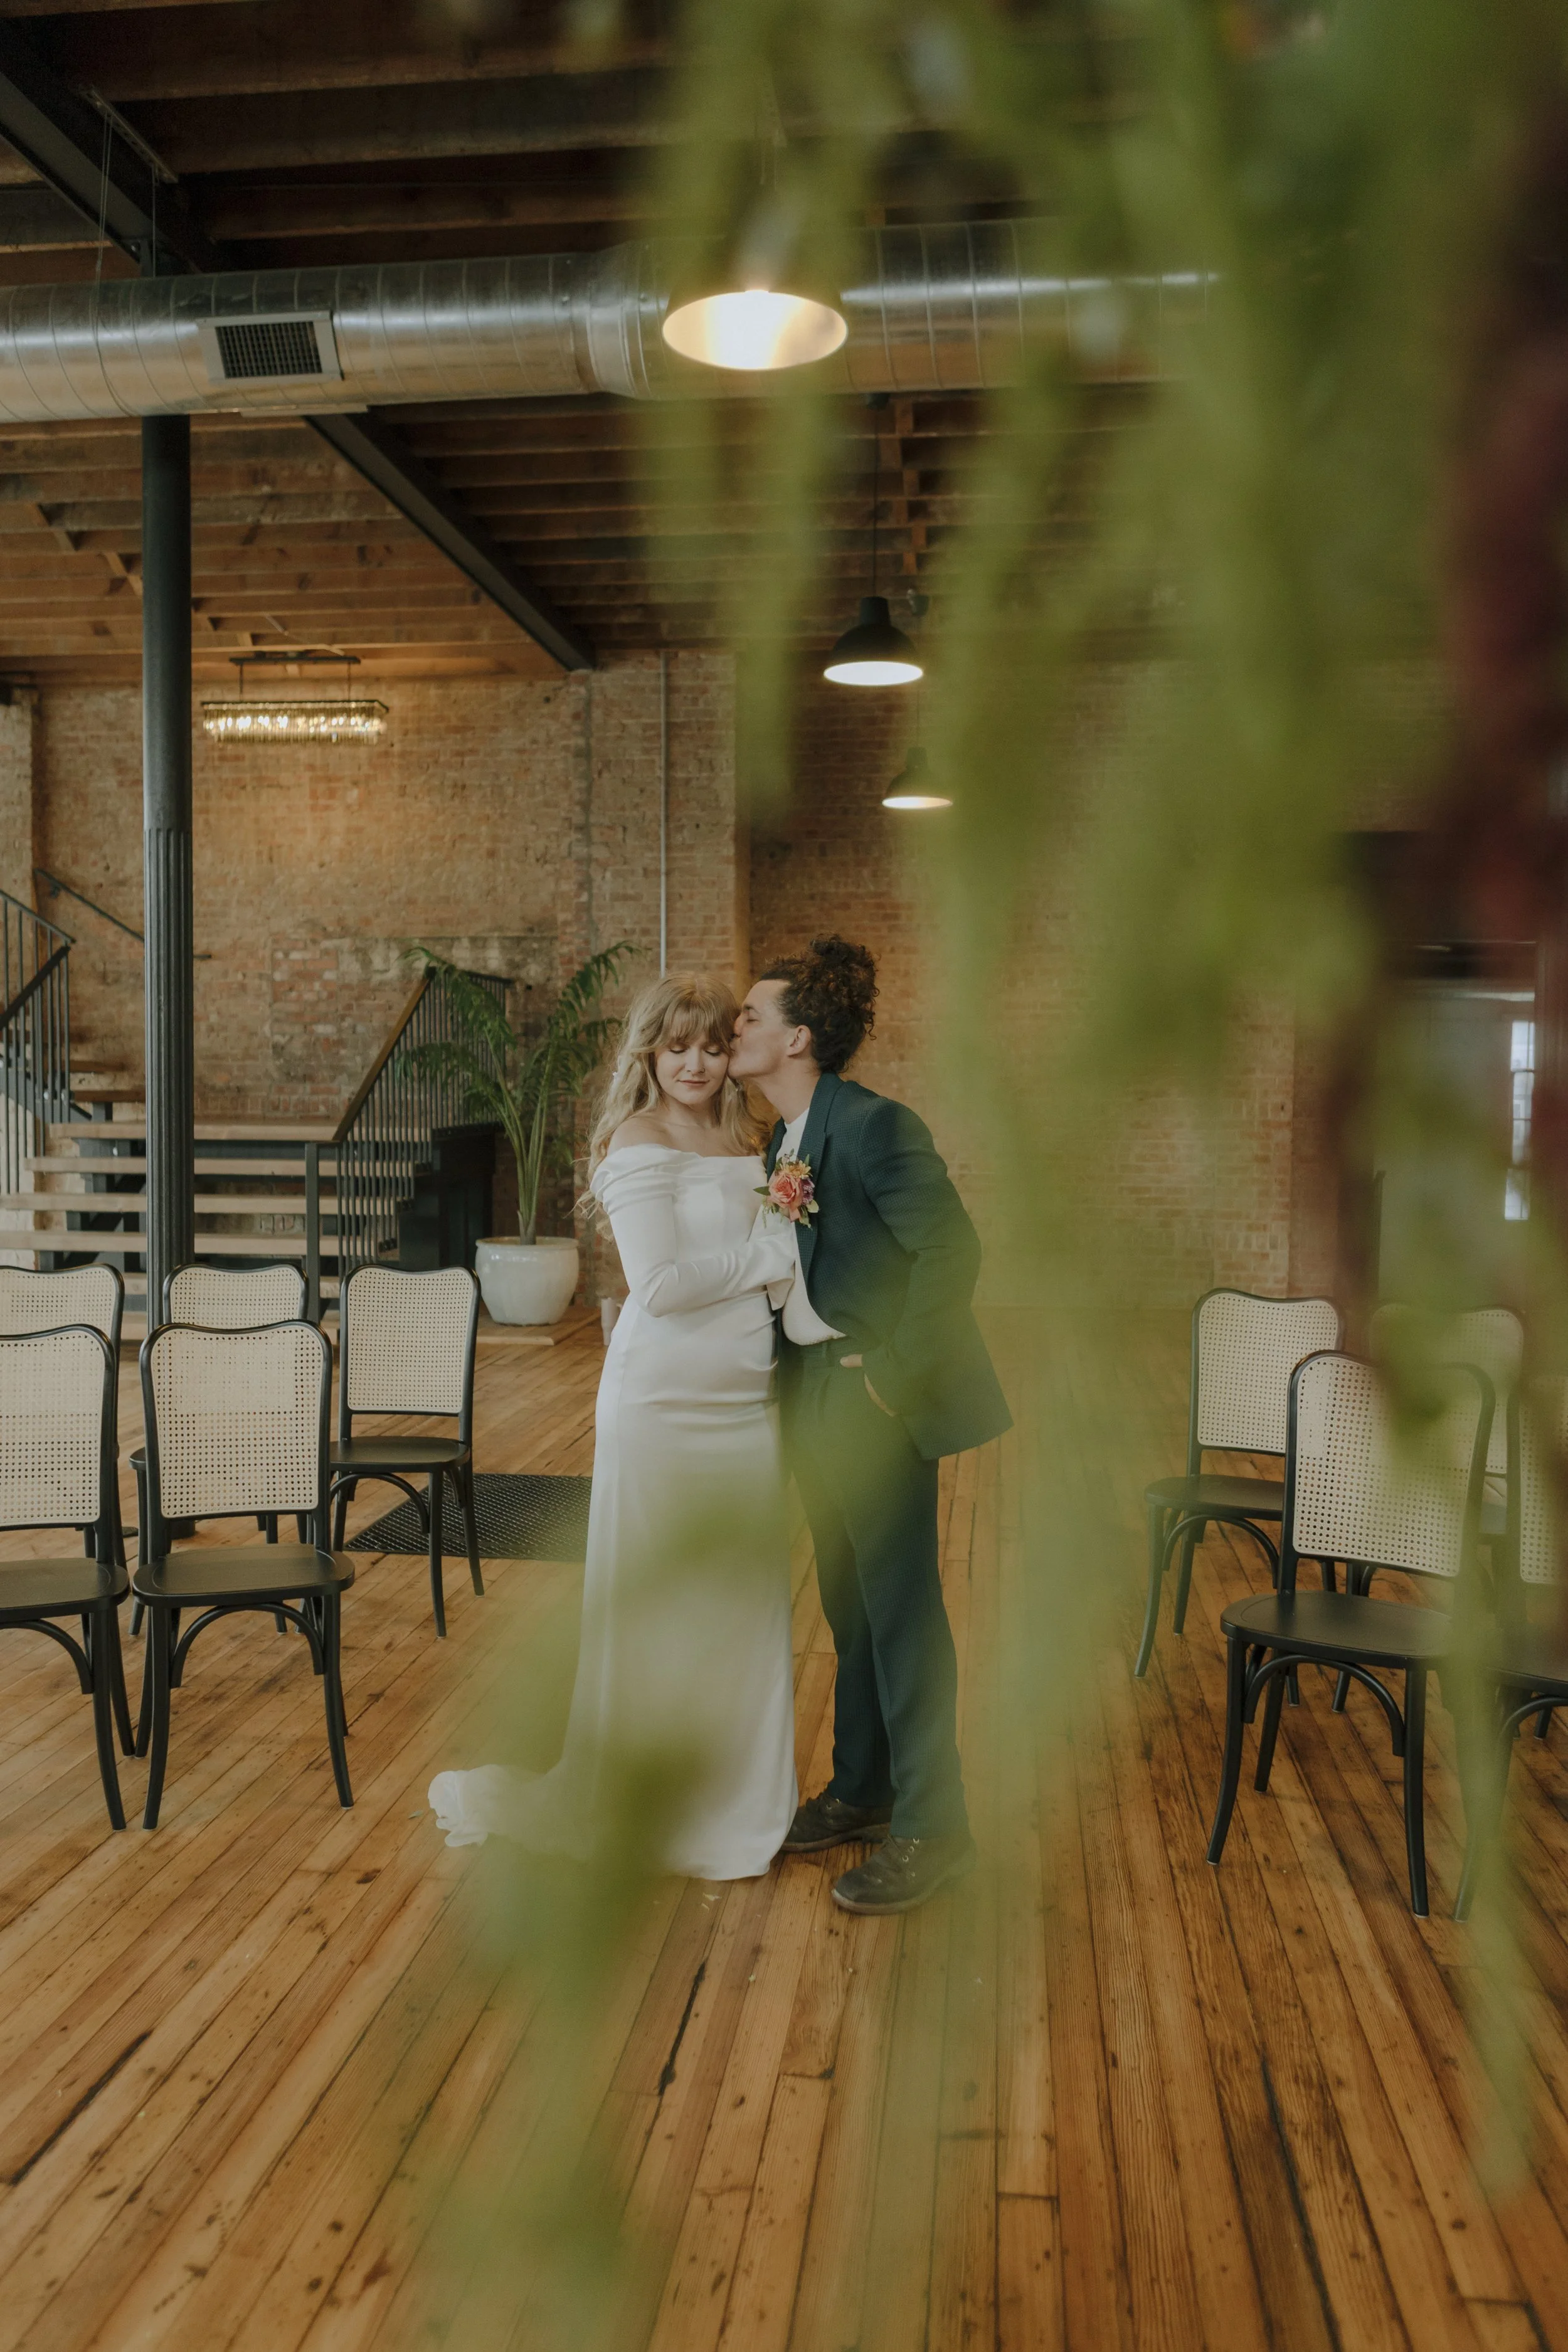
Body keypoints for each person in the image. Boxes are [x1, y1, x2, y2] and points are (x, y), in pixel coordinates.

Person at [428, 974, 800, 1881]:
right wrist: (768, 1251)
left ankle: (737, 1801)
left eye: (713, 1046)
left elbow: (762, 1267)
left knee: (740, 1599)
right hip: (664, 1401)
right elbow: (661, 1284)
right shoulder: (635, 1141)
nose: (697, 1064)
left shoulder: (748, 1137)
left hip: (745, 1400)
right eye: (678, 1047)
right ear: (649, 1054)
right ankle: (645, 1800)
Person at [728, 937, 1012, 1915]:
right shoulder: (783, 1142)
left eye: (751, 1016)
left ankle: (938, 1828)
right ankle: (864, 1788)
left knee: (901, 1613)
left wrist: (891, 1377)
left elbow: (954, 1250)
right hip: (811, 1391)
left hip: (871, 1394)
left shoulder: (878, 1126)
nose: (737, 1027)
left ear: (799, 1037)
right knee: (849, 1609)